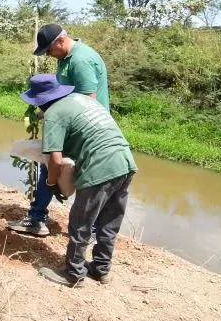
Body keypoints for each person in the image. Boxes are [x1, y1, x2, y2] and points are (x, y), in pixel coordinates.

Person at [19, 74, 136, 286]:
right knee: (109, 221)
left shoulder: (54, 113)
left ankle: (73, 273)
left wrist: (51, 183)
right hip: (125, 162)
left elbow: (54, 160)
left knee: (81, 222)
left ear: (42, 101)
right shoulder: (83, 100)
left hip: (99, 166)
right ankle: (101, 269)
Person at [7, 24, 111, 237]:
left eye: (49, 50)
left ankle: (50, 221)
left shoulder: (81, 61)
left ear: (60, 41)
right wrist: (41, 114)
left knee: (76, 172)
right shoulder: (66, 58)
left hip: (85, 128)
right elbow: (60, 94)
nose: (49, 55)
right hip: (71, 123)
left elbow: (87, 101)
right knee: (51, 164)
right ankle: (39, 217)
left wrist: (56, 122)